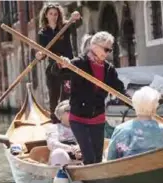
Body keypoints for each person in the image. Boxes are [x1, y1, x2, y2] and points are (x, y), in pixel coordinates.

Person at [52, 31, 129, 165]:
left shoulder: (109, 69)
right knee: (89, 158)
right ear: (94, 46)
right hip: (78, 118)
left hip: (98, 118)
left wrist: (134, 103)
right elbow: (56, 72)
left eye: (110, 49)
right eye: (106, 49)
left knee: (98, 160)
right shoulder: (78, 64)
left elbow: (119, 89)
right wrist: (61, 64)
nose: (108, 52)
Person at [36, 3, 81, 123]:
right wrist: (39, 55)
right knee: (53, 97)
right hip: (53, 68)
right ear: (46, 15)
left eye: (56, 14)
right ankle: (54, 122)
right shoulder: (42, 33)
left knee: (66, 96)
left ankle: (66, 122)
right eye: (51, 14)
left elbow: (78, 23)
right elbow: (43, 52)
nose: (53, 16)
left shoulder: (65, 27)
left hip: (67, 66)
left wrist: (76, 16)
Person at [107, 86, 163, 160]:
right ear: (154, 107)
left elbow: (111, 158)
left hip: (126, 169)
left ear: (135, 105)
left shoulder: (121, 129)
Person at [45, 100, 82, 166]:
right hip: (62, 158)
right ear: (60, 115)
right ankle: (61, 173)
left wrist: (80, 148)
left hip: (79, 158)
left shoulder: (81, 127)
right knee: (59, 153)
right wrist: (72, 149)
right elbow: (52, 144)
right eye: (68, 111)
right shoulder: (54, 127)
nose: (72, 113)